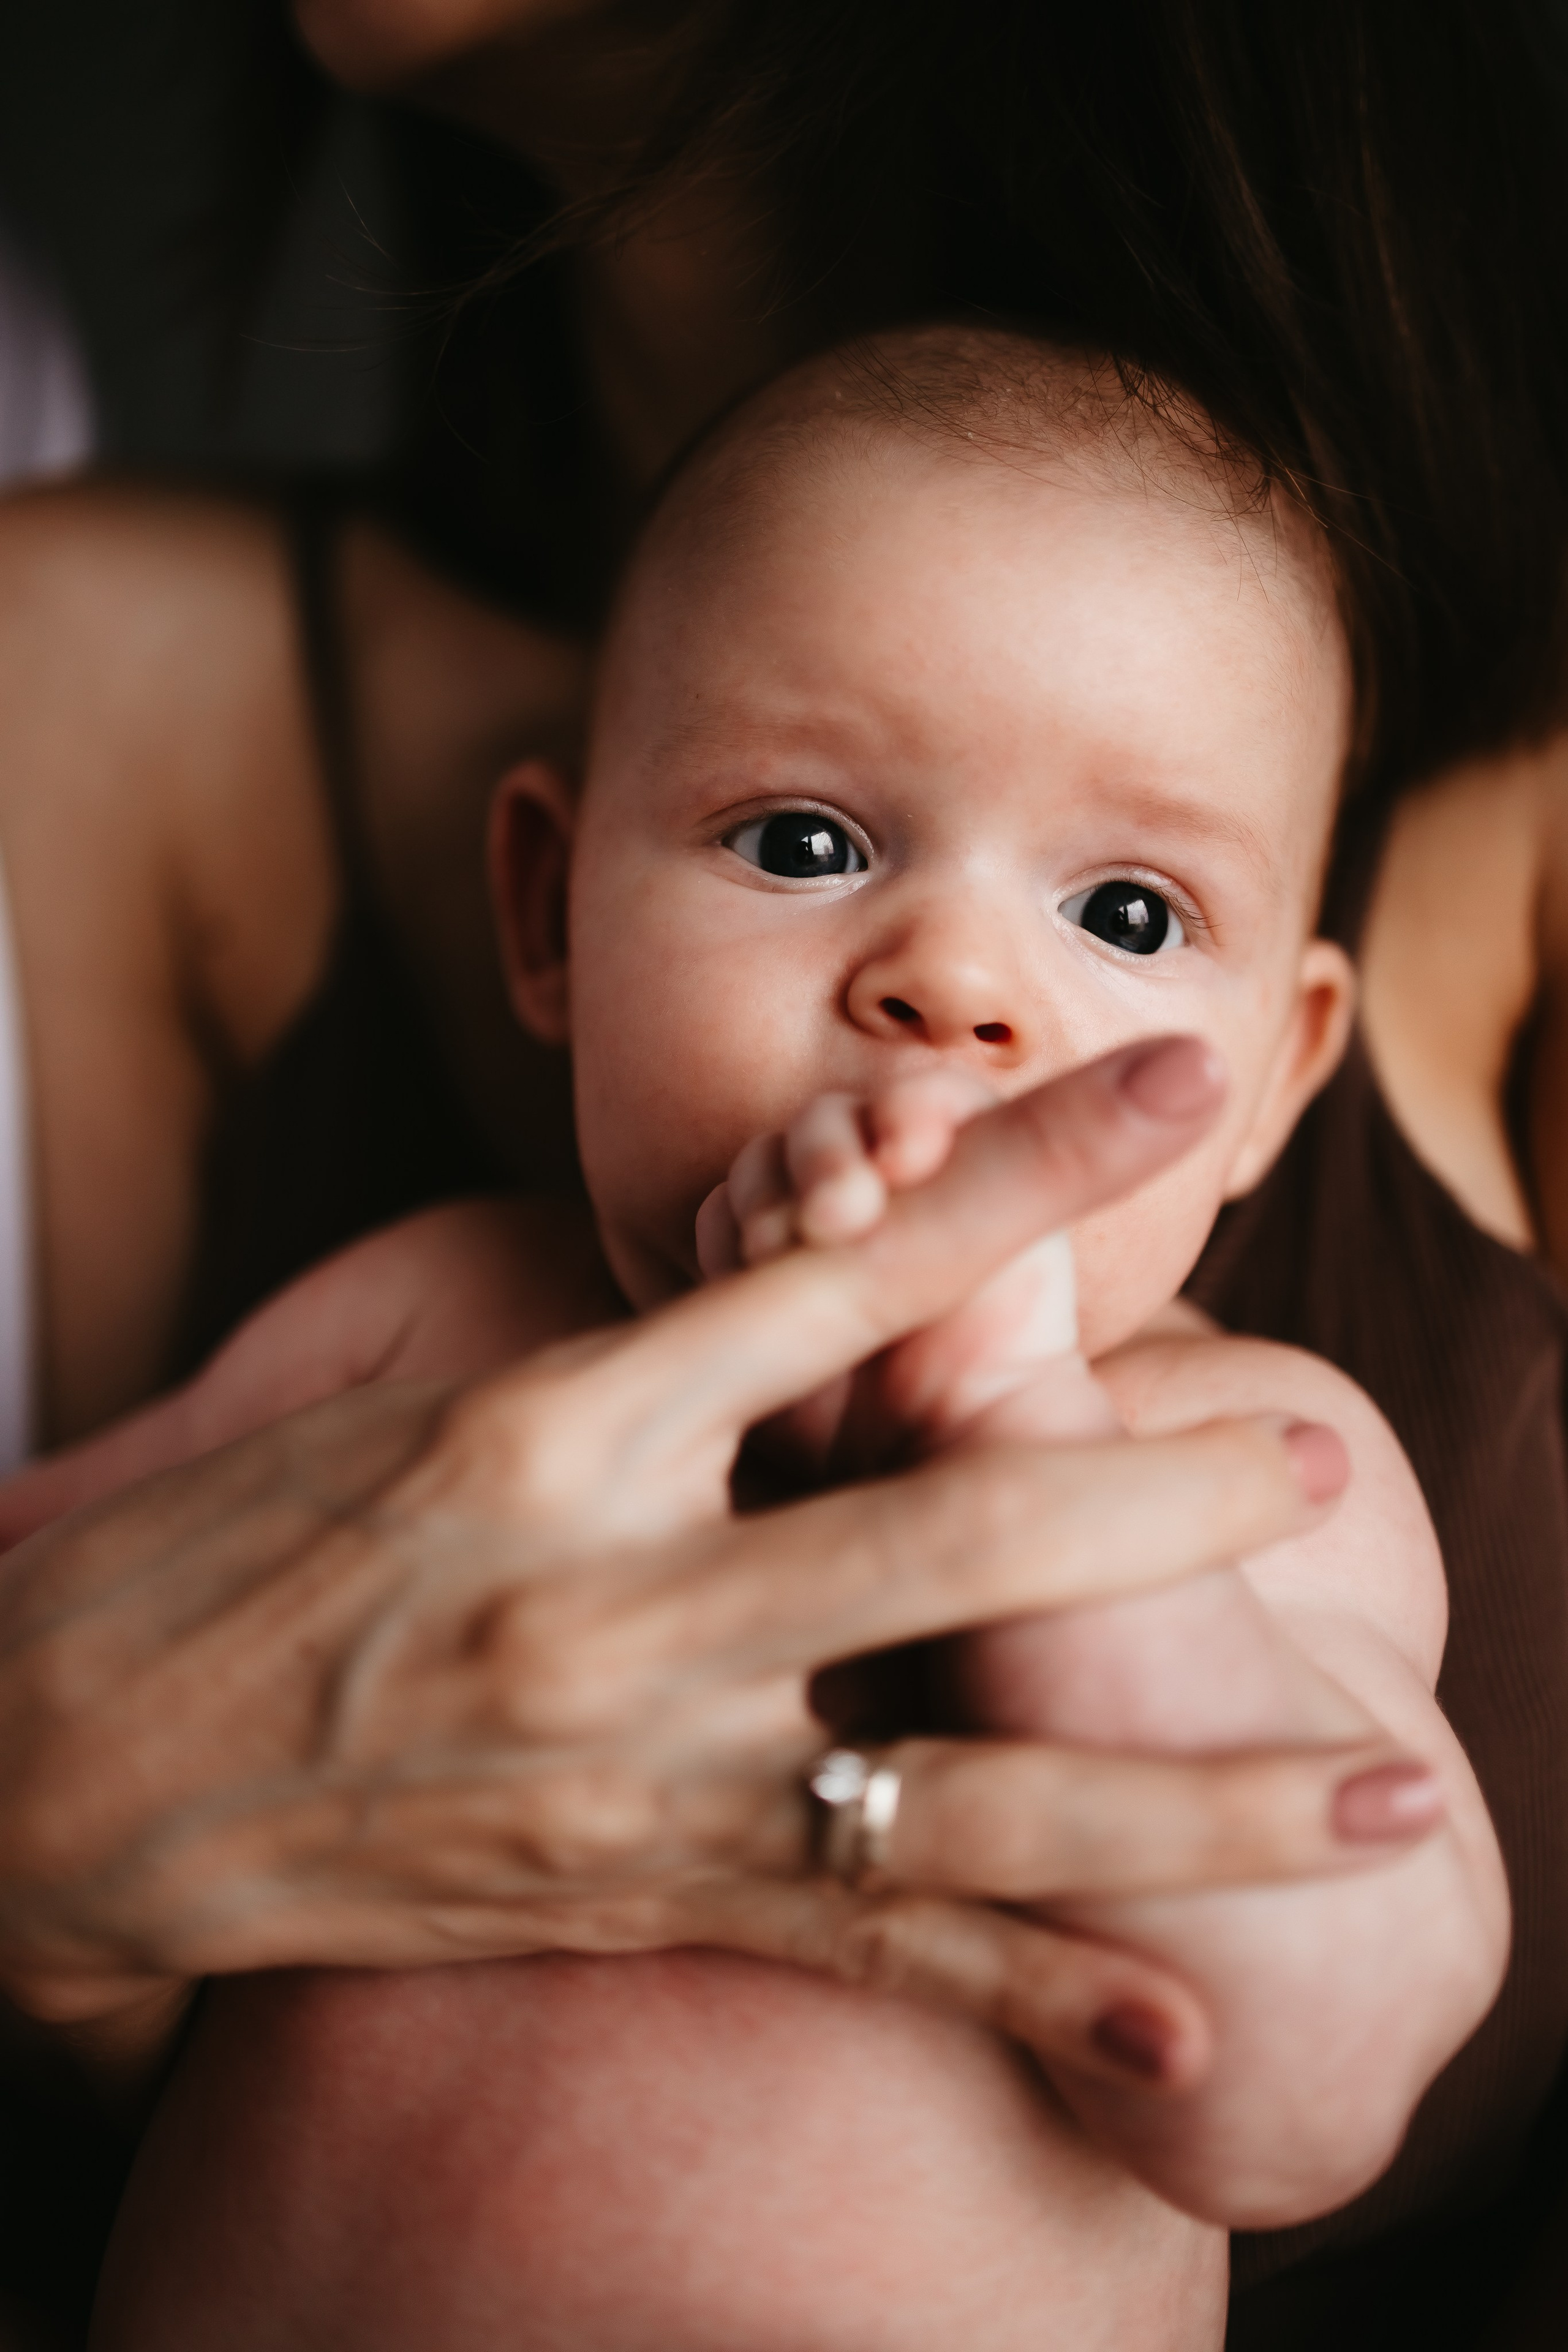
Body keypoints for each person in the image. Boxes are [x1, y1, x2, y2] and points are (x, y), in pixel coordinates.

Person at [0, 3, 1566, 2343]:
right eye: (804, 843)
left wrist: (1017, 1446)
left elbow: (1301, 2083)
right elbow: (68, 1645)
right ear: (546, 919)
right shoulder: (433, 1318)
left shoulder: (1269, 1480)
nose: (949, 982)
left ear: (1276, 1080)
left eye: (1127, 916)